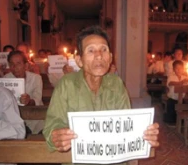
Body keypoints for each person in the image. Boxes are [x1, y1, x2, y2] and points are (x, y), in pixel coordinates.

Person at [43, 26, 159, 164]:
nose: (99, 55)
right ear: (79, 60)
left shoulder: (116, 84)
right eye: (91, 50)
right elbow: (53, 123)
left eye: (104, 50)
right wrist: (56, 135)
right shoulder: (66, 84)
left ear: (110, 58)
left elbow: (126, 126)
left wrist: (144, 136)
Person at [4, 50, 44, 134]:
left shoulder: (36, 78)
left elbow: (37, 100)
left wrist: (29, 101)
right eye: (12, 64)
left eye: (18, 63)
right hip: (15, 121)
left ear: (25, 65)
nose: (15, 67)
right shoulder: (6, 79)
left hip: (35, 120)